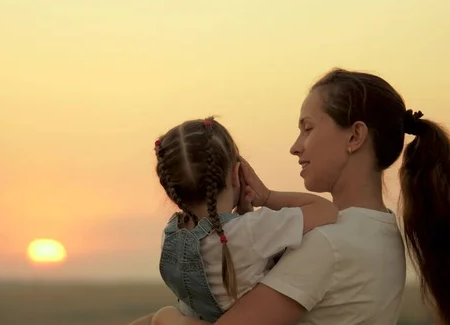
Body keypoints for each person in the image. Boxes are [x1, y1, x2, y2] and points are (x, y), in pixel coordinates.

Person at [151, 68, 450, 325]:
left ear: (355, 136)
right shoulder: (379, 230)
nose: (295, 146)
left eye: (308, 128)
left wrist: (164, 318)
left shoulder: (329, 243)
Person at [134, 116, 338, 323]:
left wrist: (243, 216)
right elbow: (326, 210)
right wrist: (267, 196)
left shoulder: (171, 235)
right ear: (236, 174)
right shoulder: (252, 230)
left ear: (171, 191)